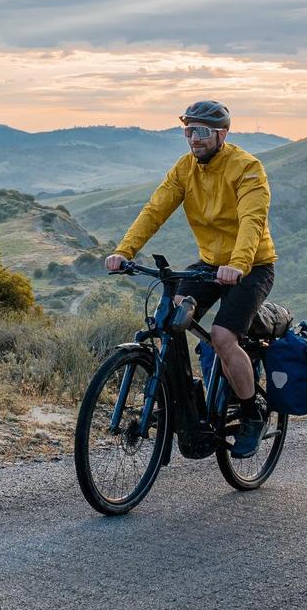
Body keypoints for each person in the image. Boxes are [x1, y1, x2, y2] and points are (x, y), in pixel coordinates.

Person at [104, 100, 277, 458]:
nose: (193, 138)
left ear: (222, 135)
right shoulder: (185, 169)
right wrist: (124, 251)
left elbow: (252, 221)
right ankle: (183, 404)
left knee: (223, 337)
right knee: (172, 316)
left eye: (201, 131)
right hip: (210, 263)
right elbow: (154, 211)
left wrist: (238, 264)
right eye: (187, 131)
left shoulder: (247, 168)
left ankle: (251, 413)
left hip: (252, 266)